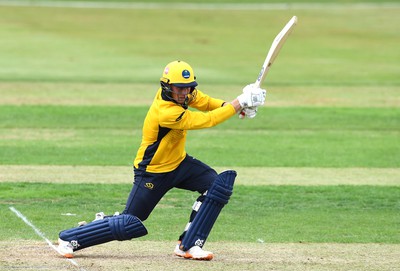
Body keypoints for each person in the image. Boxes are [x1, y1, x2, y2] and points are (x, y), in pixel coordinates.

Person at [57, 60, 266, 260]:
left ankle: (190, 244)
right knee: (130, 222)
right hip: (153, 172)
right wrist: (239, 102)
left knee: (216, 186)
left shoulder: (183, 94)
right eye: (179, 88)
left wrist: (240, 105)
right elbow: (207, 120)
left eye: (188, 88)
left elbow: (208, 104)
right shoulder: (166, 111)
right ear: (167, 87)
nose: (185, 93)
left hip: (179, 164)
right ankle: (71, 237)